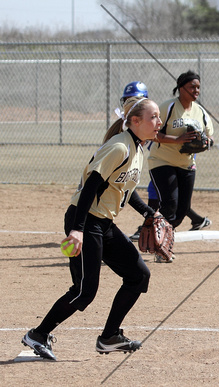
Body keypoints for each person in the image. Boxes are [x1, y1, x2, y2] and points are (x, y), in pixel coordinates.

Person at [21, 97, 162, 361]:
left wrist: (149, 213)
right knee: (85, 291)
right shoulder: (119, 147)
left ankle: (109, 337)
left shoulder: (138, 149)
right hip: (85, 220)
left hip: (104, 223)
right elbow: (90, 186)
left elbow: (124, 189)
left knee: (138, 276)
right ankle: (38, 334)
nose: (159, 122)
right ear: (135, 121)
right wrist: (77, 230)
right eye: (153, 117)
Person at [117, 82, 212, 243]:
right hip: (160, 162)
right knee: (168, 200)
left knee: (171, 201)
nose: (129, 103)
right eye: (126, 99)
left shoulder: (150, 116)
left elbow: (156, 136)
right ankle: (159, 226)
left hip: (178, 161)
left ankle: (152, 226)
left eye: (134, 99)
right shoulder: (132, 120)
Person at [148, 70, 214, 261]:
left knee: (182, 209)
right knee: (170, 203)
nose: (196, 91)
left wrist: (205, 143)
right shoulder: (168, 108)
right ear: (181, 88)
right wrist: (177, 140)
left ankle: (158, 236)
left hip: (186, 164)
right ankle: (162, 248)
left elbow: (210, 136)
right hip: (162, 161)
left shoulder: (200, 112)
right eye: (192, 86)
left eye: (198, 87)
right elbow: (153, 133)